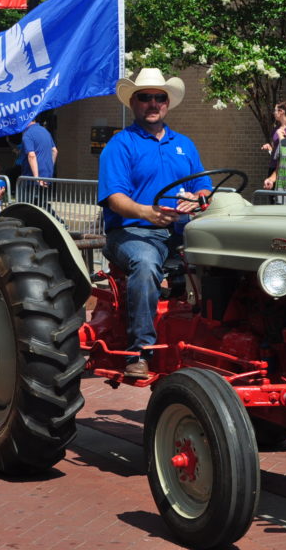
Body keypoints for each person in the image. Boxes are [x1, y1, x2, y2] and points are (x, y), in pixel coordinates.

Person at [98, 68, 212, 378]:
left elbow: (205, 187)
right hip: (131, 232)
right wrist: (147, 212)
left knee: (222, 259)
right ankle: (140, 351)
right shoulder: (120, 145)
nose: (152, 103)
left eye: (159, 98)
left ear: (167, 103)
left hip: (179, 230)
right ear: (133, 103)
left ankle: (214, 338)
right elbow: (114, 198)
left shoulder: (184, 144)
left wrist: (199, 200)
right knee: (146, 263)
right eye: (145, 97)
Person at [21, 115, 57, 186]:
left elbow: (31, 155)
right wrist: (49, 169)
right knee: (44, 197)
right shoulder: (45, 131)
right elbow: (55, 151)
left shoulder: (27, 134)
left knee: (26, 196)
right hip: (47, 177)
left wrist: (36, 178)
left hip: (31, 179)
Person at [260, 100, 286, 174]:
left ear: (281, 112)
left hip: (284, 167)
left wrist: (280, 135)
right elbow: (276, 151)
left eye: (275, 111)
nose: (274, 113)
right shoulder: (276, 129)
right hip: (273, 166)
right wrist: (270, 148)